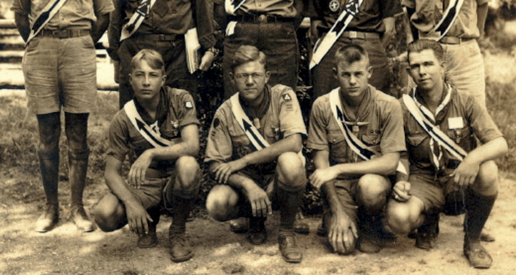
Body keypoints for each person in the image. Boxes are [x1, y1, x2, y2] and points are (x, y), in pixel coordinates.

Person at [11, 0, 114, 233]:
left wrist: (81, 42)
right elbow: (20, 16)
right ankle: (50, 207)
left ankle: (77, 208)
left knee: (78, 134)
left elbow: (104, 16)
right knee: (47, 133)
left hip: (79, 51)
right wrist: (41, 43)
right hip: (42, 52)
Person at [385, 39, 507, 269]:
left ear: (443, 67)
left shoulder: (464, 101)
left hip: (458, 178)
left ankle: (473, 240)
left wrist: (473, 158)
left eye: (428, 64)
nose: (422, 71)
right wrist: (401, 181)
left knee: (488, 170)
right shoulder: (402, 107)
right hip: (423, 181)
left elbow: (500, 143)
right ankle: (427, 221)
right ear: (410, 72)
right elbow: (399, 153)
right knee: (398, 218)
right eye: (416, 66)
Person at [94, 49, 201, 263]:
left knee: (188, 165)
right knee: (104, 214)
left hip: (175, 181)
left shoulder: (180, 99)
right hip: (145, 186)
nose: (146, 82)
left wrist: (151, 153)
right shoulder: (123, 119)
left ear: (163, 79)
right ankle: (148, 221)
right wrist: (132, 203)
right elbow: (111, 173)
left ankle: (177, 231)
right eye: (140, 75)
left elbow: (192, 146)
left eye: (152, 75)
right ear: (130, 79)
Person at [204, 45, 307, 263]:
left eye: (256, 75)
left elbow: (294, 142)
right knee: (217, 202)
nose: (250, 81)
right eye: (243, 76)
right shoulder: (225, 111)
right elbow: (214, 165)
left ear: (266, 76)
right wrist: (247, 185)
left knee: (291, 162)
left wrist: (244, 160)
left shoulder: (282, 96)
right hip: (249, 182)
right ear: (233, 78)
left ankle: (286, 231)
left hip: (277, 182)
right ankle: (254, 218)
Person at [307, 44, 405, 254]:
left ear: (369, 73)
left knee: (370, 185)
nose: (352, 81)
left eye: (358, 74)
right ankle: (336, 218)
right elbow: (321, 163)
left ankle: (371, 225)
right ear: (335, 74)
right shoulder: (322, 106)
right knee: (344, 246)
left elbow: (390, 162)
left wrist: (339, 169)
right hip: (338, 189)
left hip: (372, 182)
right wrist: (337, 210)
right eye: (346, 74)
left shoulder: (388, 105)